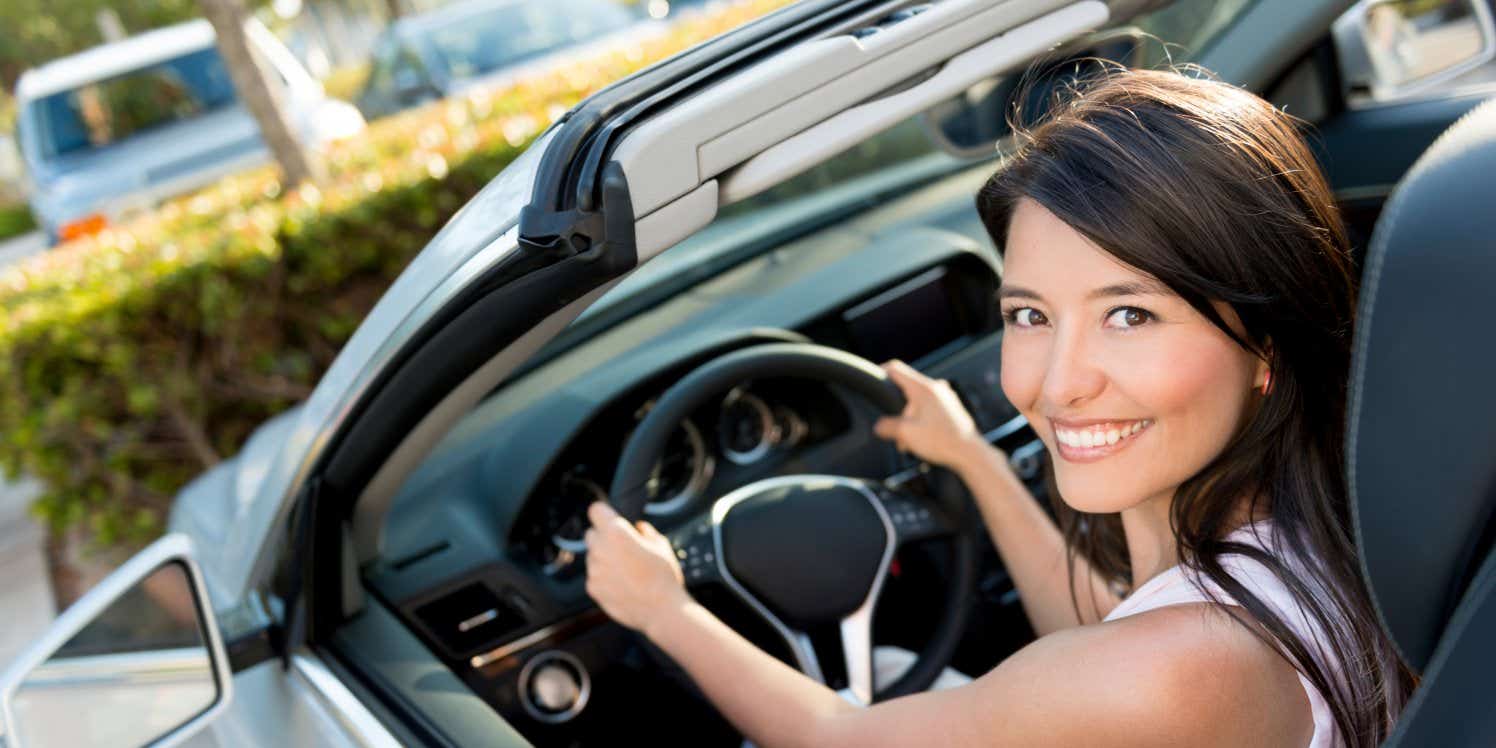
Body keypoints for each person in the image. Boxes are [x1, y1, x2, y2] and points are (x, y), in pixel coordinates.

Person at [583, 66, 1413, 747]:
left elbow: (837, 740)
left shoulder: (1174, 671)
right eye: (1029, 315)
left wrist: (663, 608)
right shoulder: (1302, 539)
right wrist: (974, 461)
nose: (1057, 385)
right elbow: (1102, 631)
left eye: (1129, 314)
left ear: (1265, 344)